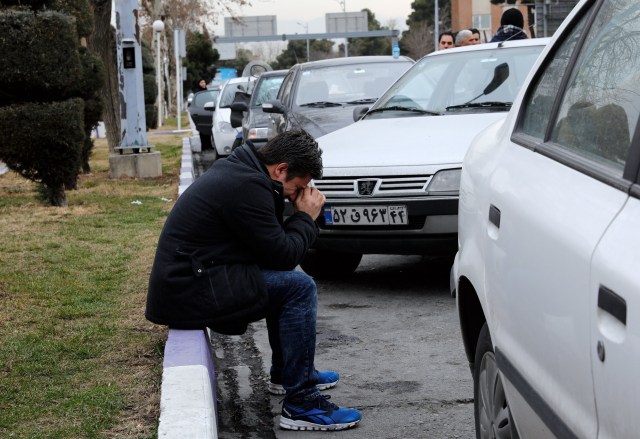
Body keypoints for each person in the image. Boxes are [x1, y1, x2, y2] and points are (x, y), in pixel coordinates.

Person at [146, 130, 362, 431]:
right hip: (189, 290)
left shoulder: (247, 173)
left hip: (196, 279)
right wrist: (305, 217)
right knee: (298, 287)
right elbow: (283, 255)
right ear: (281, 169)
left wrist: (292, 214)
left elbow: (270, 250)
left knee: (287, 282)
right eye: (297, 187)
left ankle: (286, 374)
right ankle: (302, 404)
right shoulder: (247, 185)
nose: (297, 195)